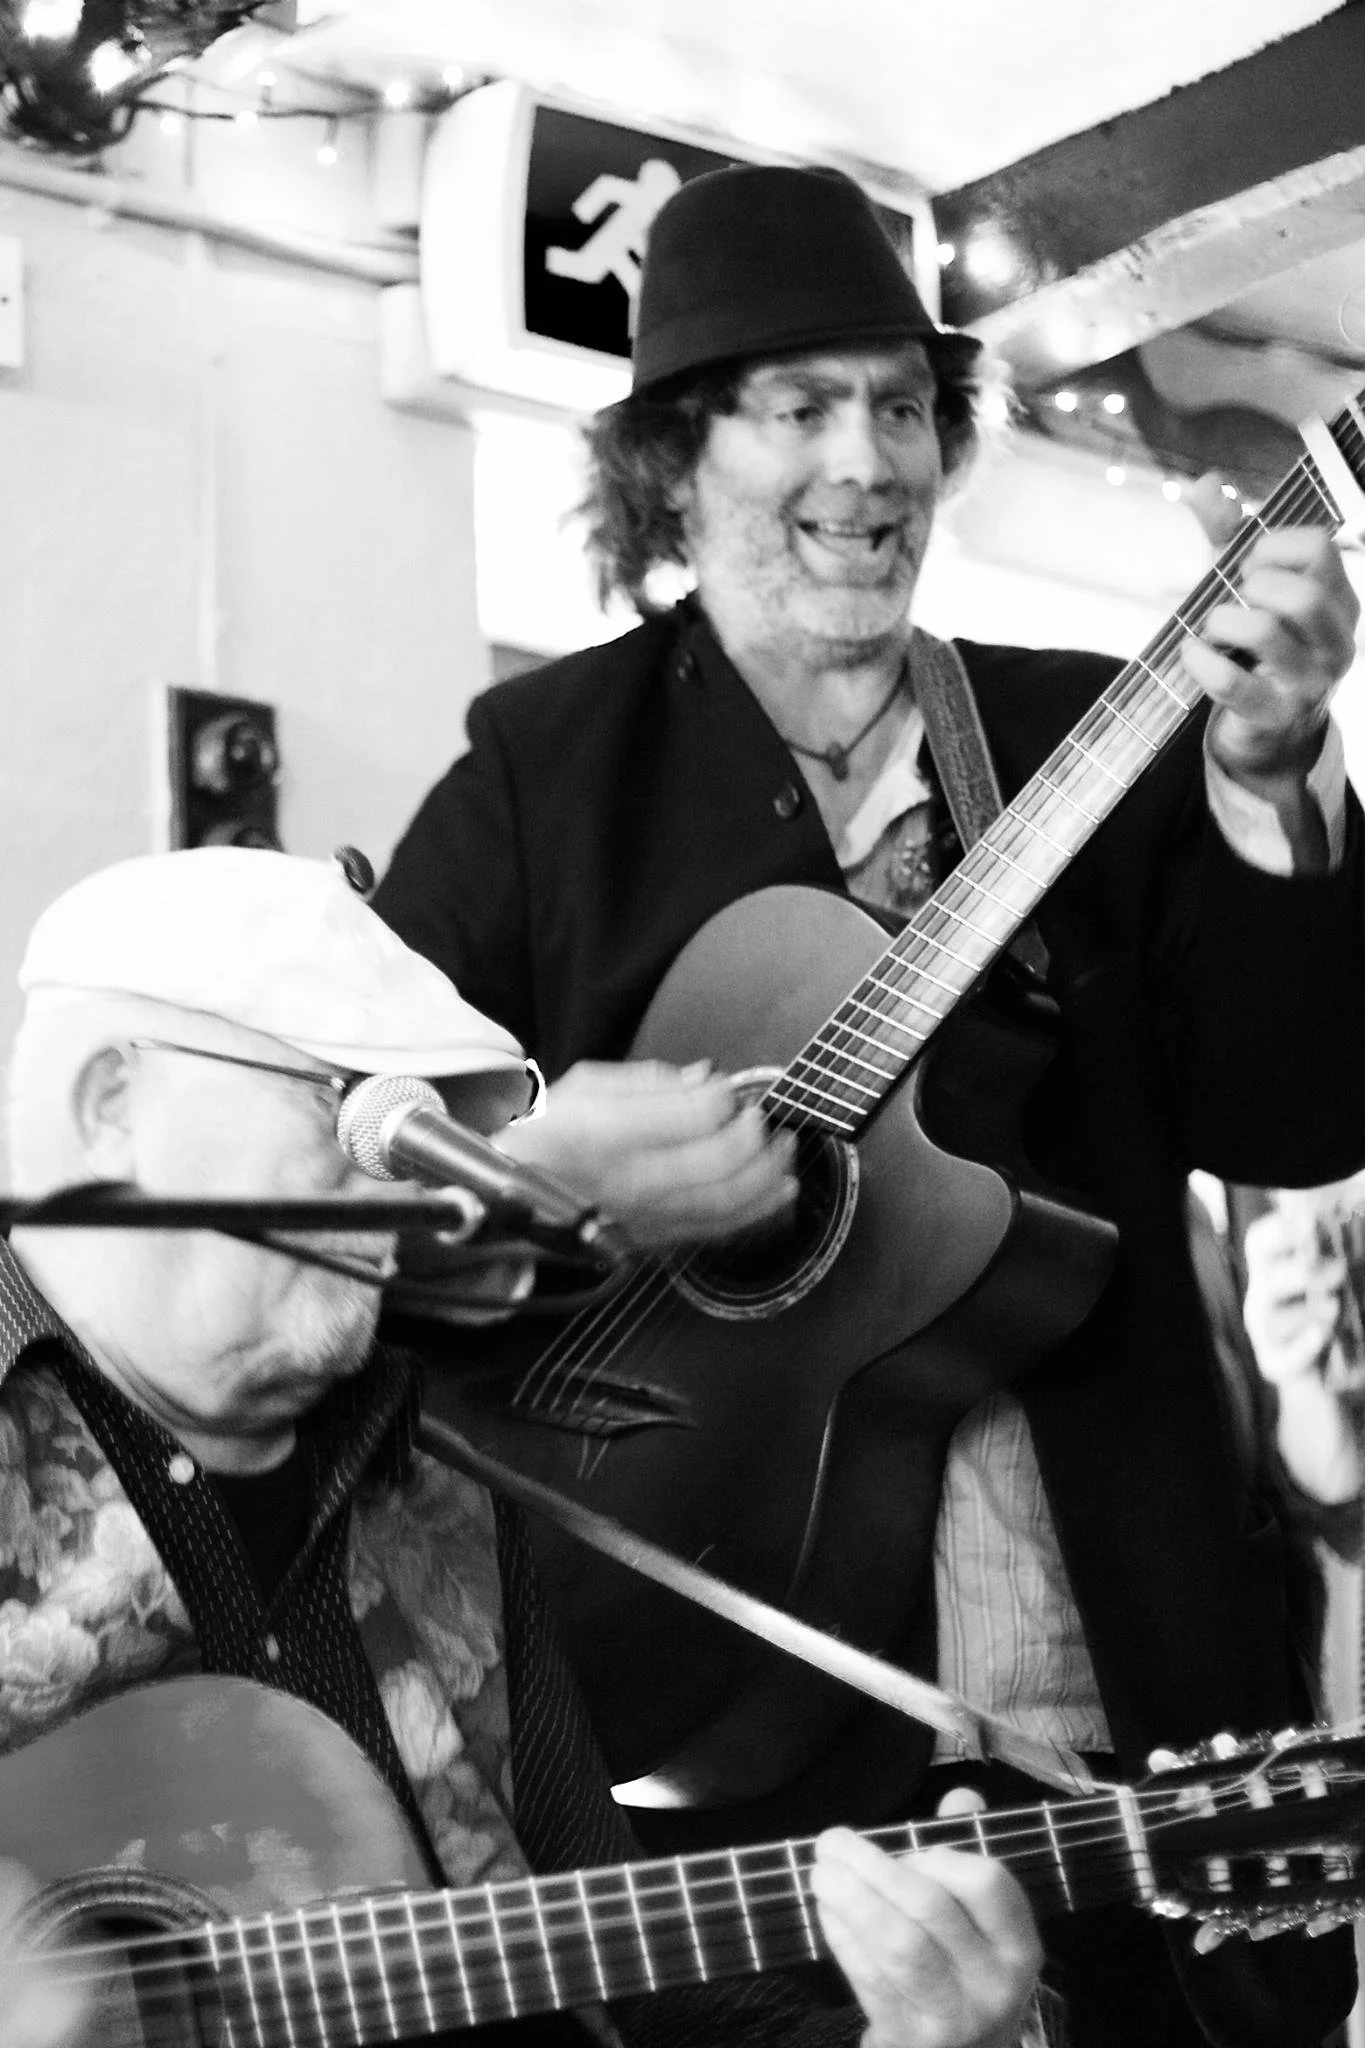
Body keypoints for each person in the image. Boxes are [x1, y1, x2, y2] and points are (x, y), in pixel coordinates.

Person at [372, 163, 1365, 2046]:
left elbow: (1302, 1109)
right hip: (710, 1708)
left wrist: (1267, 775)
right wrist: (543, 1173)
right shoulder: (544, 774)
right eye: (801, 404)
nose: (870, 458)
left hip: (1118, 1687)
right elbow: (356, 1204)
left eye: (903, 405)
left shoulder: (1090, 732)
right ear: (674, 460)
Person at [0, 844, 1043, 2048]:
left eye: (422, 1130)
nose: (399, 1185)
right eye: (343, 1103)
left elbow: (644, 1993)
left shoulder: (446, 1503)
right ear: (108, 1100)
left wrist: (917, 2035)